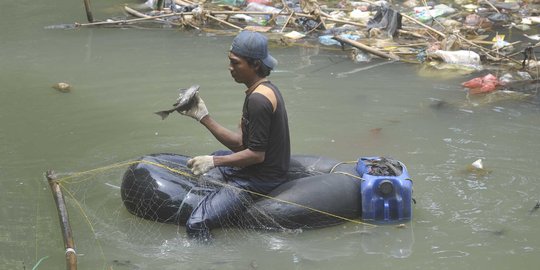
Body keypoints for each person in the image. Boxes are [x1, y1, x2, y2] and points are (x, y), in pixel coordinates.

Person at [177, 30, 290, 241]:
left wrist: (214, 161)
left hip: (261, 178)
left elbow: (256, 155)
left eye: (236, 63)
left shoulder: (258, 101)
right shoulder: (260, 90)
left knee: (196, 223)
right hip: (257, 169)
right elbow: (240, 143)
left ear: (255, 64)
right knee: (215, 157)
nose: (230, 68)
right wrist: (203, 117)